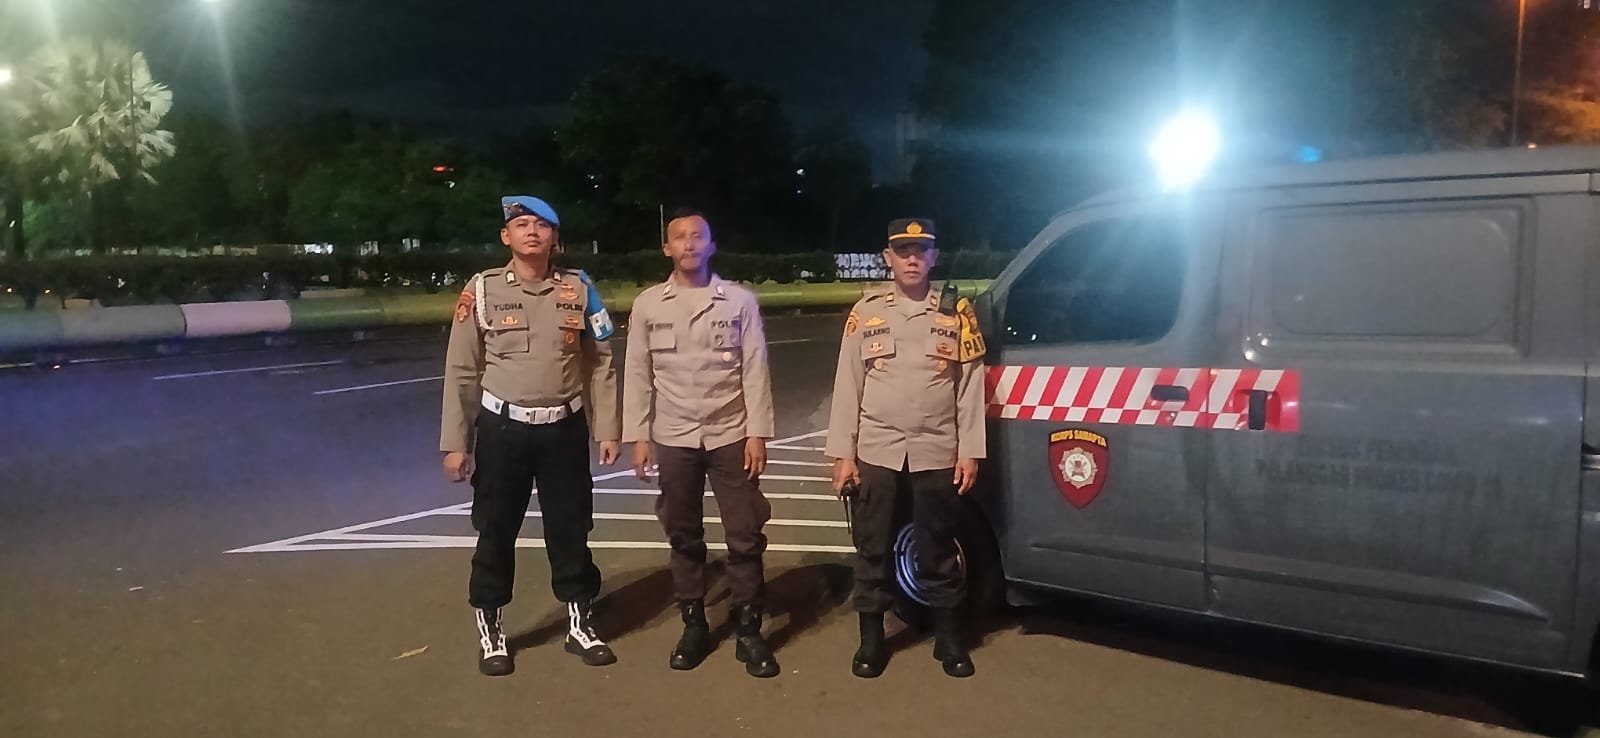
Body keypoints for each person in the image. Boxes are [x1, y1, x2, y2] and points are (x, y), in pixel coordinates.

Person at [440, 195, 622, 677]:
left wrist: (608, 428)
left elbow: (600, 363)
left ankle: (580, 625)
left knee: (571, 527)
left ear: (555, 237)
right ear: (507, 236)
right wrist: (456, 442)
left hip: (564, 429)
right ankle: (492, 630)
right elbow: (461, 370)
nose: (533, 232)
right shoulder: (482, 290)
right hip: (503, 431)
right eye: (522, 225)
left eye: (542, 225)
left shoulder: (579, 288)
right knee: (496, 530)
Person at [824, 217, 987, 679]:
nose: (912, 259)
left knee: (938, 545)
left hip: (937, 448)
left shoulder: (958, 312)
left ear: (934, 256)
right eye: (903, 251)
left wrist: (970, 450)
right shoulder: (866, 313)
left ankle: (948, 638)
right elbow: (848, 385)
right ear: (888, 258)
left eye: (921, 251)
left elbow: (970, 385)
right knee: (872, 545)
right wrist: (843, 455)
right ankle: (872, 639)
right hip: (877, 448)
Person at [623, 208, 780, 678]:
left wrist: (758, 433)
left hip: (731, 433)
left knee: (745, 534)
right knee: (683, 533)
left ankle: (749, 629)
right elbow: (638, 372)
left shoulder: (739, 301)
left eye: (698, 236)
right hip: (674, 436)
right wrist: (639, 435)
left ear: (712, 245)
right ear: (666, 248)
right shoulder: (648, 304)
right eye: (680, 237)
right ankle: (693, 624)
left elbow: (755, 369)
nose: (689, 244)